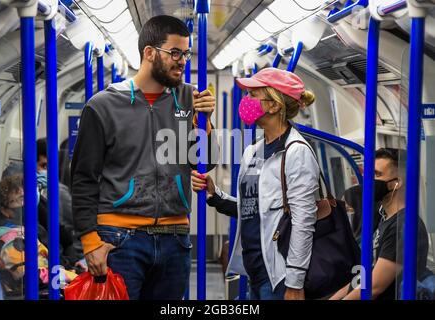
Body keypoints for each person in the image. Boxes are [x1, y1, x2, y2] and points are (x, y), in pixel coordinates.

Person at [71, 15, 218, 300]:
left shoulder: (190, 99)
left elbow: (204, 161)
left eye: (186, 53)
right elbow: (83, 178)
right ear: (149, 53)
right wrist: (90, 242)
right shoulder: (102, 106)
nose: (182, 61)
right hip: (118, 238)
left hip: (175, 236)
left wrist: (206, 122)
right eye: (175, 52)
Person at [192, 67, 319, 300]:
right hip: (255, 270)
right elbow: (252, 208)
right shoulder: (254, 151)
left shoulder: (296, 153)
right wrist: (216, 195)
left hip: (279, 274)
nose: (246, 101)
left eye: (253, 95)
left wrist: (295, 282)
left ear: (274, 105)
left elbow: (303, 221)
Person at [330, 148, 429, 300]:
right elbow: (363, 278)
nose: (369, 180)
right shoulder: (383, 217)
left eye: (377, 175)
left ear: (396, 183)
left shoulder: (403, 226)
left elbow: (374, 287)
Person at [36, 138, 85, 272]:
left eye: (47, 166)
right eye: (42, 166)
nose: (43, 171)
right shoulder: (25, 193)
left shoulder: (59, 191)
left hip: (64, 254)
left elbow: (75, 224)